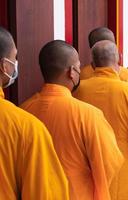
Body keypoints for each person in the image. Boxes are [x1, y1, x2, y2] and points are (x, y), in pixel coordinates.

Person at [21, 40, 124, 199]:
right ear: (72, 71)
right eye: (78, 66)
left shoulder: (23, 111)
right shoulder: (88, 115)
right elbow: (108, 164)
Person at [74, 40, 128, 200]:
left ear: (92, 64)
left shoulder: (78, 90)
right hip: (123, 168)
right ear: (119, 60)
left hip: (88, 167)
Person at [0, 26, 69, 199]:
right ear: (3, 66)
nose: (15, 64)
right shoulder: (26, 127)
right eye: (14, 58)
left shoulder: (25, 112)